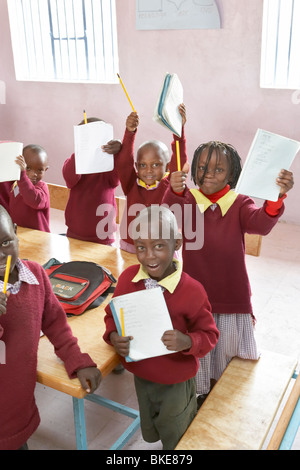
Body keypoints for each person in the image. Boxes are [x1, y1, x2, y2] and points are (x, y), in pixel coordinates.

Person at [162, 140, 294, 406]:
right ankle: (201, 393)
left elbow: (261, 224)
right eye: (202, 167)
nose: (208, 174)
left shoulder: (240, 203)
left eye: (218, 170)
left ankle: (220, 394)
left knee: (226, 352)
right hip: (197, 295)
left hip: (231, 295)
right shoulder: (188, 199)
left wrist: (276, 196)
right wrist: (172, 191)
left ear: (232, 175)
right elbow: (169, 216)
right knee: (201, 347)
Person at [103, 206, 219, 449]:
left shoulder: (192, 290)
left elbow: (209, 335)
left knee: (176, 433)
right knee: (153, 425)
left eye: (158, 246)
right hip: (142, 375)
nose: (149, 257)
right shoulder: (127, 278)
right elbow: (112, 315)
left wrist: (187, 341)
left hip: (176, 382)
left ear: (176, 243)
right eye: (141, 247)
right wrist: (114, 336)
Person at [0, 205, 102, 450]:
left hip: (18, 409)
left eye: (5, 243)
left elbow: (55, 323)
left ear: (15, 232)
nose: (0, 256)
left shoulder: (35, 274)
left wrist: (77, 360)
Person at [115, 105, 187, 253]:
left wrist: (178, 133)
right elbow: (123, 163)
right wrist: (130, 132)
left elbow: (180, 161)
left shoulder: (169, 184)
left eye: (155, 164)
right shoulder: (131, 183)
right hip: (131, 246)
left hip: (162, 249)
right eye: (142, 165)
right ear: (136, 166)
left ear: (167, 167)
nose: (148, 170)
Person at [63, 117, 121, 245]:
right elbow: (70, 179)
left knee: (103, 264)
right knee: (75, 263)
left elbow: (116, 179)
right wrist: (80, 152)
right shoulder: (74, 162)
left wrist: (117, 154)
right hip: (75, 232)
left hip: (103, 235)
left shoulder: (108, 165)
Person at [9, 144, 50, 232]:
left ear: (45, 170)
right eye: (28, 168)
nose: (33, 174)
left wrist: (23, 175)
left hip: (38, 237)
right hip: (19, 233)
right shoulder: (15, 185)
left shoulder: (42, 188)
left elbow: (33, 199)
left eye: (39, 170)